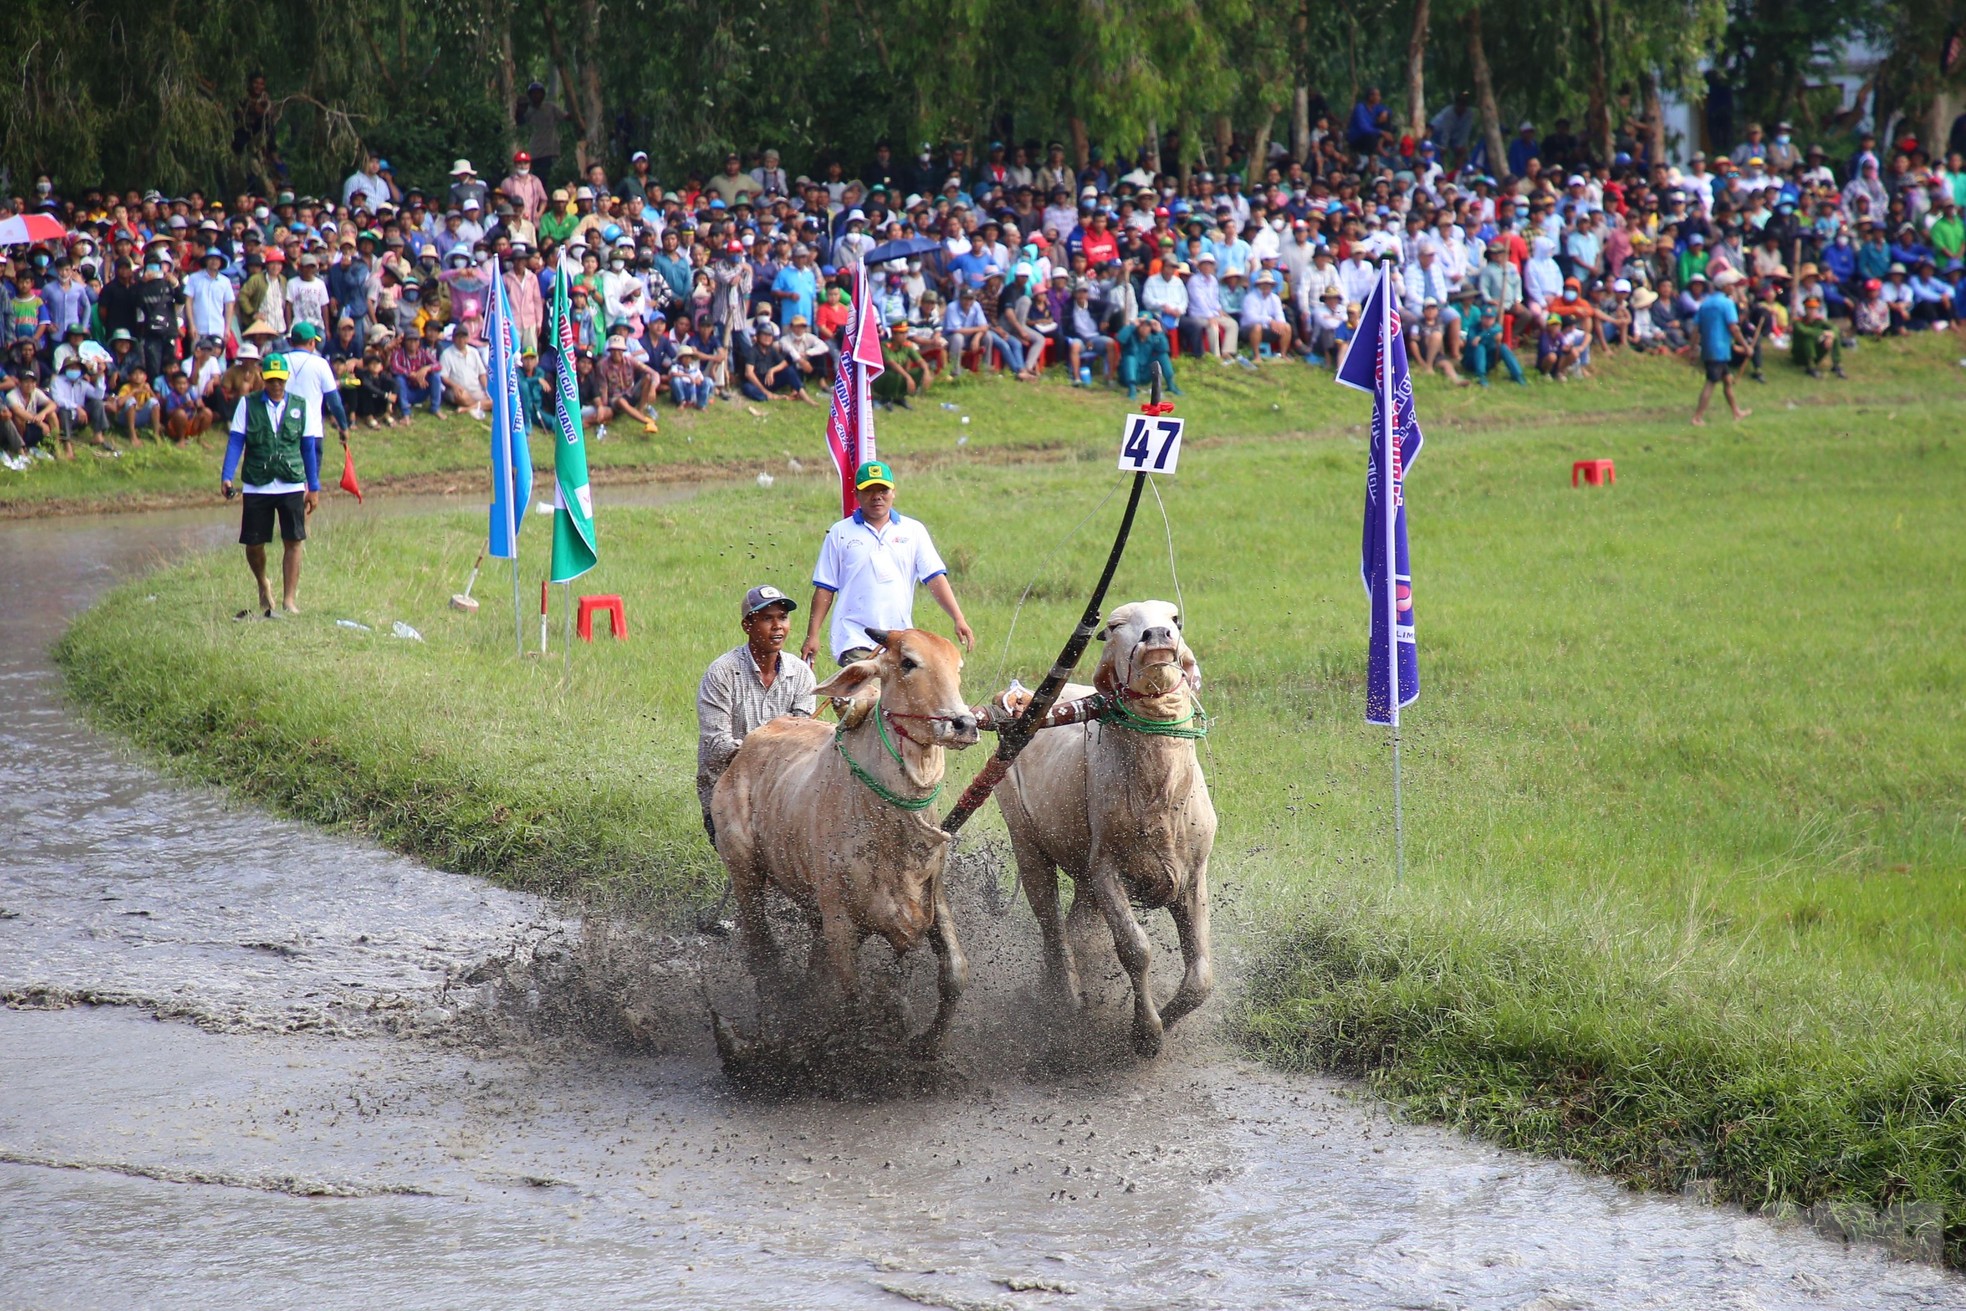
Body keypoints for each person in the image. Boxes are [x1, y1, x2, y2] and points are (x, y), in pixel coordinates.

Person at [801, 460, 974, 666]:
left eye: (883, 490)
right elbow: (825, 588)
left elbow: (934, 577)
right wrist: (813, 635)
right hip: (854, 637)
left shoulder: (913, 530)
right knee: (871, 695)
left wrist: (958, 618)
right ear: (856, 494)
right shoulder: (840, 533)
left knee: (906, 696)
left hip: (899, 637)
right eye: (868, 491)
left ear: (893, 492)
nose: (877, 497)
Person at [695, 585, 817, 841]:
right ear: (746, 626)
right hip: (728, 789)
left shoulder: (802, 674)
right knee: (747, 870)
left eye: (782, 617)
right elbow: (717, 744)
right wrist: (772, 751)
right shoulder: (722, 673)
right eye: (766, 618)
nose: (777, 626)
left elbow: (804, 740)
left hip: (781, 790)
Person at [220, 353, 319, 618]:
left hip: (292, 482)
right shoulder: (247, 404)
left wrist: (314, 486)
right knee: (254, 544)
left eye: (281, 380)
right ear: (264, 378)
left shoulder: (301, 405)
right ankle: (263, 582)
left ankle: (289, 600)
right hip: (257, 484)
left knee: (294, 540)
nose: (276, 385)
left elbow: (308, 448)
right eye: (272, 379)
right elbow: (236, 441)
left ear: (287, 380)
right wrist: (227, 475)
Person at [1691, 271, 1751, 426]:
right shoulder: (1727, 303)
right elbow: (1734, 328)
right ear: (1724, 286)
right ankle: (1697, 417)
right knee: (1711, 382)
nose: (1733, 288)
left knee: (1727, 381)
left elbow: (1696, 328)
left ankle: (1736, 411)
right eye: (1731, 285)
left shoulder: (1705, 303)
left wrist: (1692, 348)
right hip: (1720, 349)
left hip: (1709, 348)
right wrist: (1745, 346)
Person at [1789, 296, 1844, 379]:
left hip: (1816, 354)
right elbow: (1805, 331)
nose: (1812, 311)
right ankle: (1811, 367)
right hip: (1800, 354)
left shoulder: (1819, 321)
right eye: (1810, 309)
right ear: (1805, 309)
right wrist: (1823, 333)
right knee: (1808, 337)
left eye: (1815, 309)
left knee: (1833, 337)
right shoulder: (1798, 322)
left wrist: (1831, 335)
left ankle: (1836, 365)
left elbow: (1835, 328)